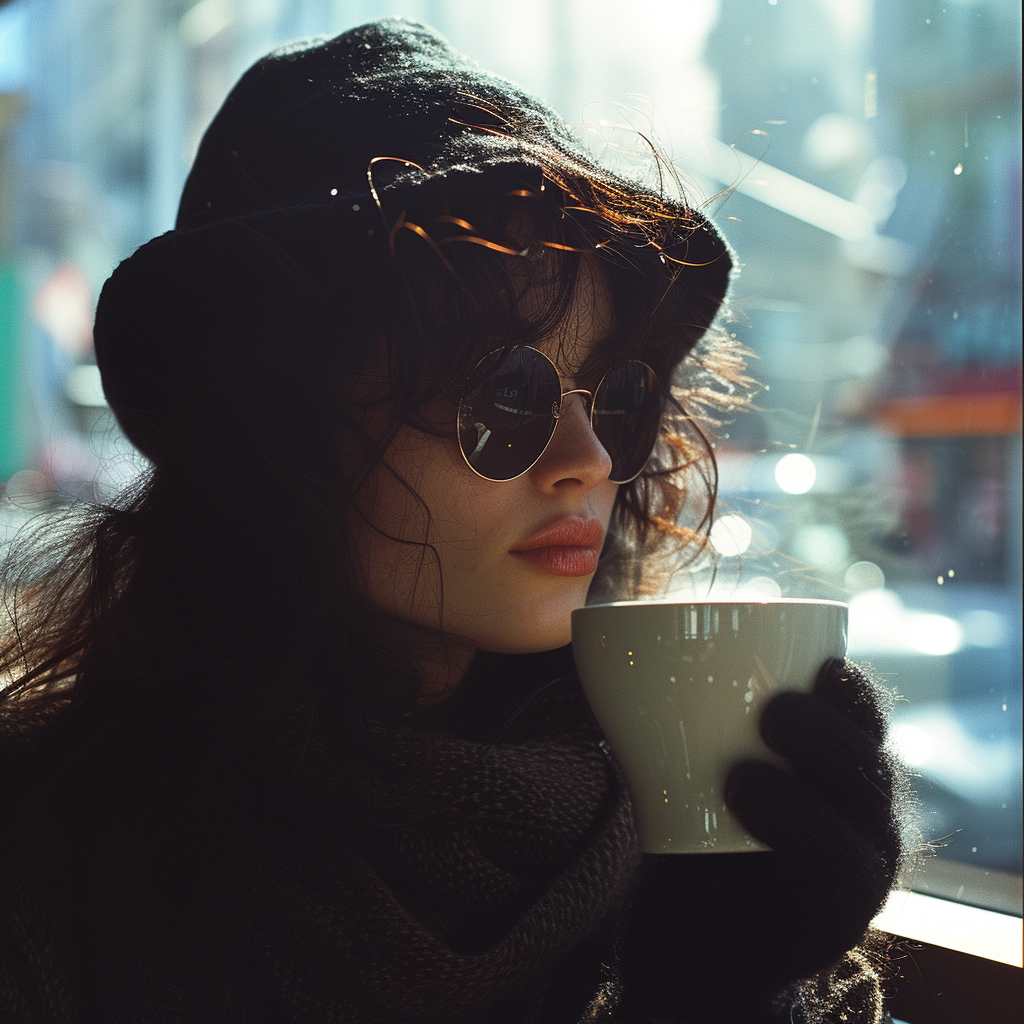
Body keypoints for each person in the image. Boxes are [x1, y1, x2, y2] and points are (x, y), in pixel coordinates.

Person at [0, 18, 910, 1024]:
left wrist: (737, 990)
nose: (591, 461)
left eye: (615, 394)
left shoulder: (676, 829)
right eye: (501, 392)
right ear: (274, 427)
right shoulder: (57, 867)